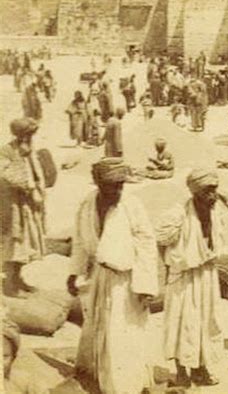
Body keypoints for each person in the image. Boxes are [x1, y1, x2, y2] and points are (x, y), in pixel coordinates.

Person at [67, 158, 158, 394]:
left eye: (121, 185)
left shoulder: (132, 205)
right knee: (98, 327)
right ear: (98, 182)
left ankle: (126, 386)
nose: (117, 190)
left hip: (125, 281)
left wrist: (145, 286)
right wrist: (74, 272)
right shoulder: (87, 204)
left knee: (122, 333)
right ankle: (98, 374)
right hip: (99, 276)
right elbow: (79, 239)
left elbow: (147, 244)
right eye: (112, 185)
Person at [157, 169, 225, 387]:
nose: (212, 196)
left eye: (214, 190)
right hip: (183, 277)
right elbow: (160, 241)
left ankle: (199, 368)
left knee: (205, 322)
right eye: (207, 191)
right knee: (182, 323)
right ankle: (181, 371)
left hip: (206, 275)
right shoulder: (177, 214)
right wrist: (169, 268)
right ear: (195, 192)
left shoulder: (215, 213)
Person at [0, 118, 47, 297]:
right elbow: (4, 175)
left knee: (27, 243)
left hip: (27, 206)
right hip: (12, 206)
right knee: (14, 244)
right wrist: (28, 187)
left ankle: (18, 278)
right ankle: (10, 285)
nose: (30, 138)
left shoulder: (29, 151)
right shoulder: (6, 151)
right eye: (28, 135)